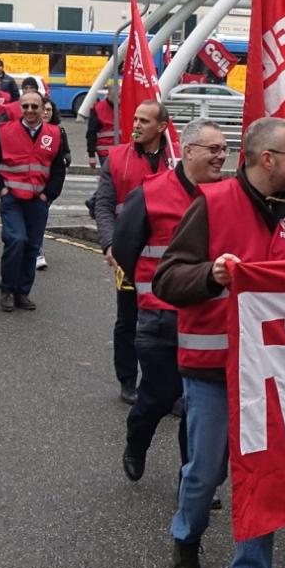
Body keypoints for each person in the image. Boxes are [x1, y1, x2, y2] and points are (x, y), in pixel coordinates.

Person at [153, 117, 285, 568]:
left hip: (268, 373)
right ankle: (186, 537)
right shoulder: (213, 203)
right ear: (268, 160)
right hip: (214, 371)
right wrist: (210, 276)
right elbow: (168, 279)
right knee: (206, 473)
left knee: (261, 479)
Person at [111, 119, 225, 482]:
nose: (222, 156)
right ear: (189, 151)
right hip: (161, 320)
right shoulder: (149, 194)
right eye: (214, 149)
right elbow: (125, 250)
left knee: (197, 406)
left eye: (224, 149)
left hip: (209, 321)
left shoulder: (226, 196)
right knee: (158, 397)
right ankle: (136, 441)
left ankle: (192, 478)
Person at [91, 99, 172, 404]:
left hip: (168, 257)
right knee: (129, 320)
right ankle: (128, 380)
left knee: (168, 322)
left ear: (162, 127)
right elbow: (103, 204)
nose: (136, 125)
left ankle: (164, 384)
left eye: (145, 121)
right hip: (129, 256)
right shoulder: (115, 158)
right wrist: (111, 245)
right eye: (135, 119)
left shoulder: (177, 159)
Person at [0, 88, 65, 311]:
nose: (30, 110)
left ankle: (22, 292)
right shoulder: (4, 131)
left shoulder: (54, 134)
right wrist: (1, 189)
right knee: (16, 241)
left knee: (32, 247)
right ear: (20, 108)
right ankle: (7, 289)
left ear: (43, 109)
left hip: (38, 201)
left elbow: (58, 169)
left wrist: (47, 194)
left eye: (35, 106)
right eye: (25, 106)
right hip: (12, 198)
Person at [34, 95, 72, 272]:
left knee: (40, 218)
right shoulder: (32, 130)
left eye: (49, 110)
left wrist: (65, 160)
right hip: (31, 182)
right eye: (44, 109)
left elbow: (66, 154)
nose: (46, 113)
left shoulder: (59, 131)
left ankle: (38, 252)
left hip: (48, 185)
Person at [85, 82, 121, 170]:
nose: (118, 99)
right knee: (109, 178)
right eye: (116, 96)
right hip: (105, 153)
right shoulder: (97, 109)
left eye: (120, 96)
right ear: (109, 94)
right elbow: (91, 133)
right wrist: (91, 155)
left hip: (122, 152)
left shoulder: (125, 107)